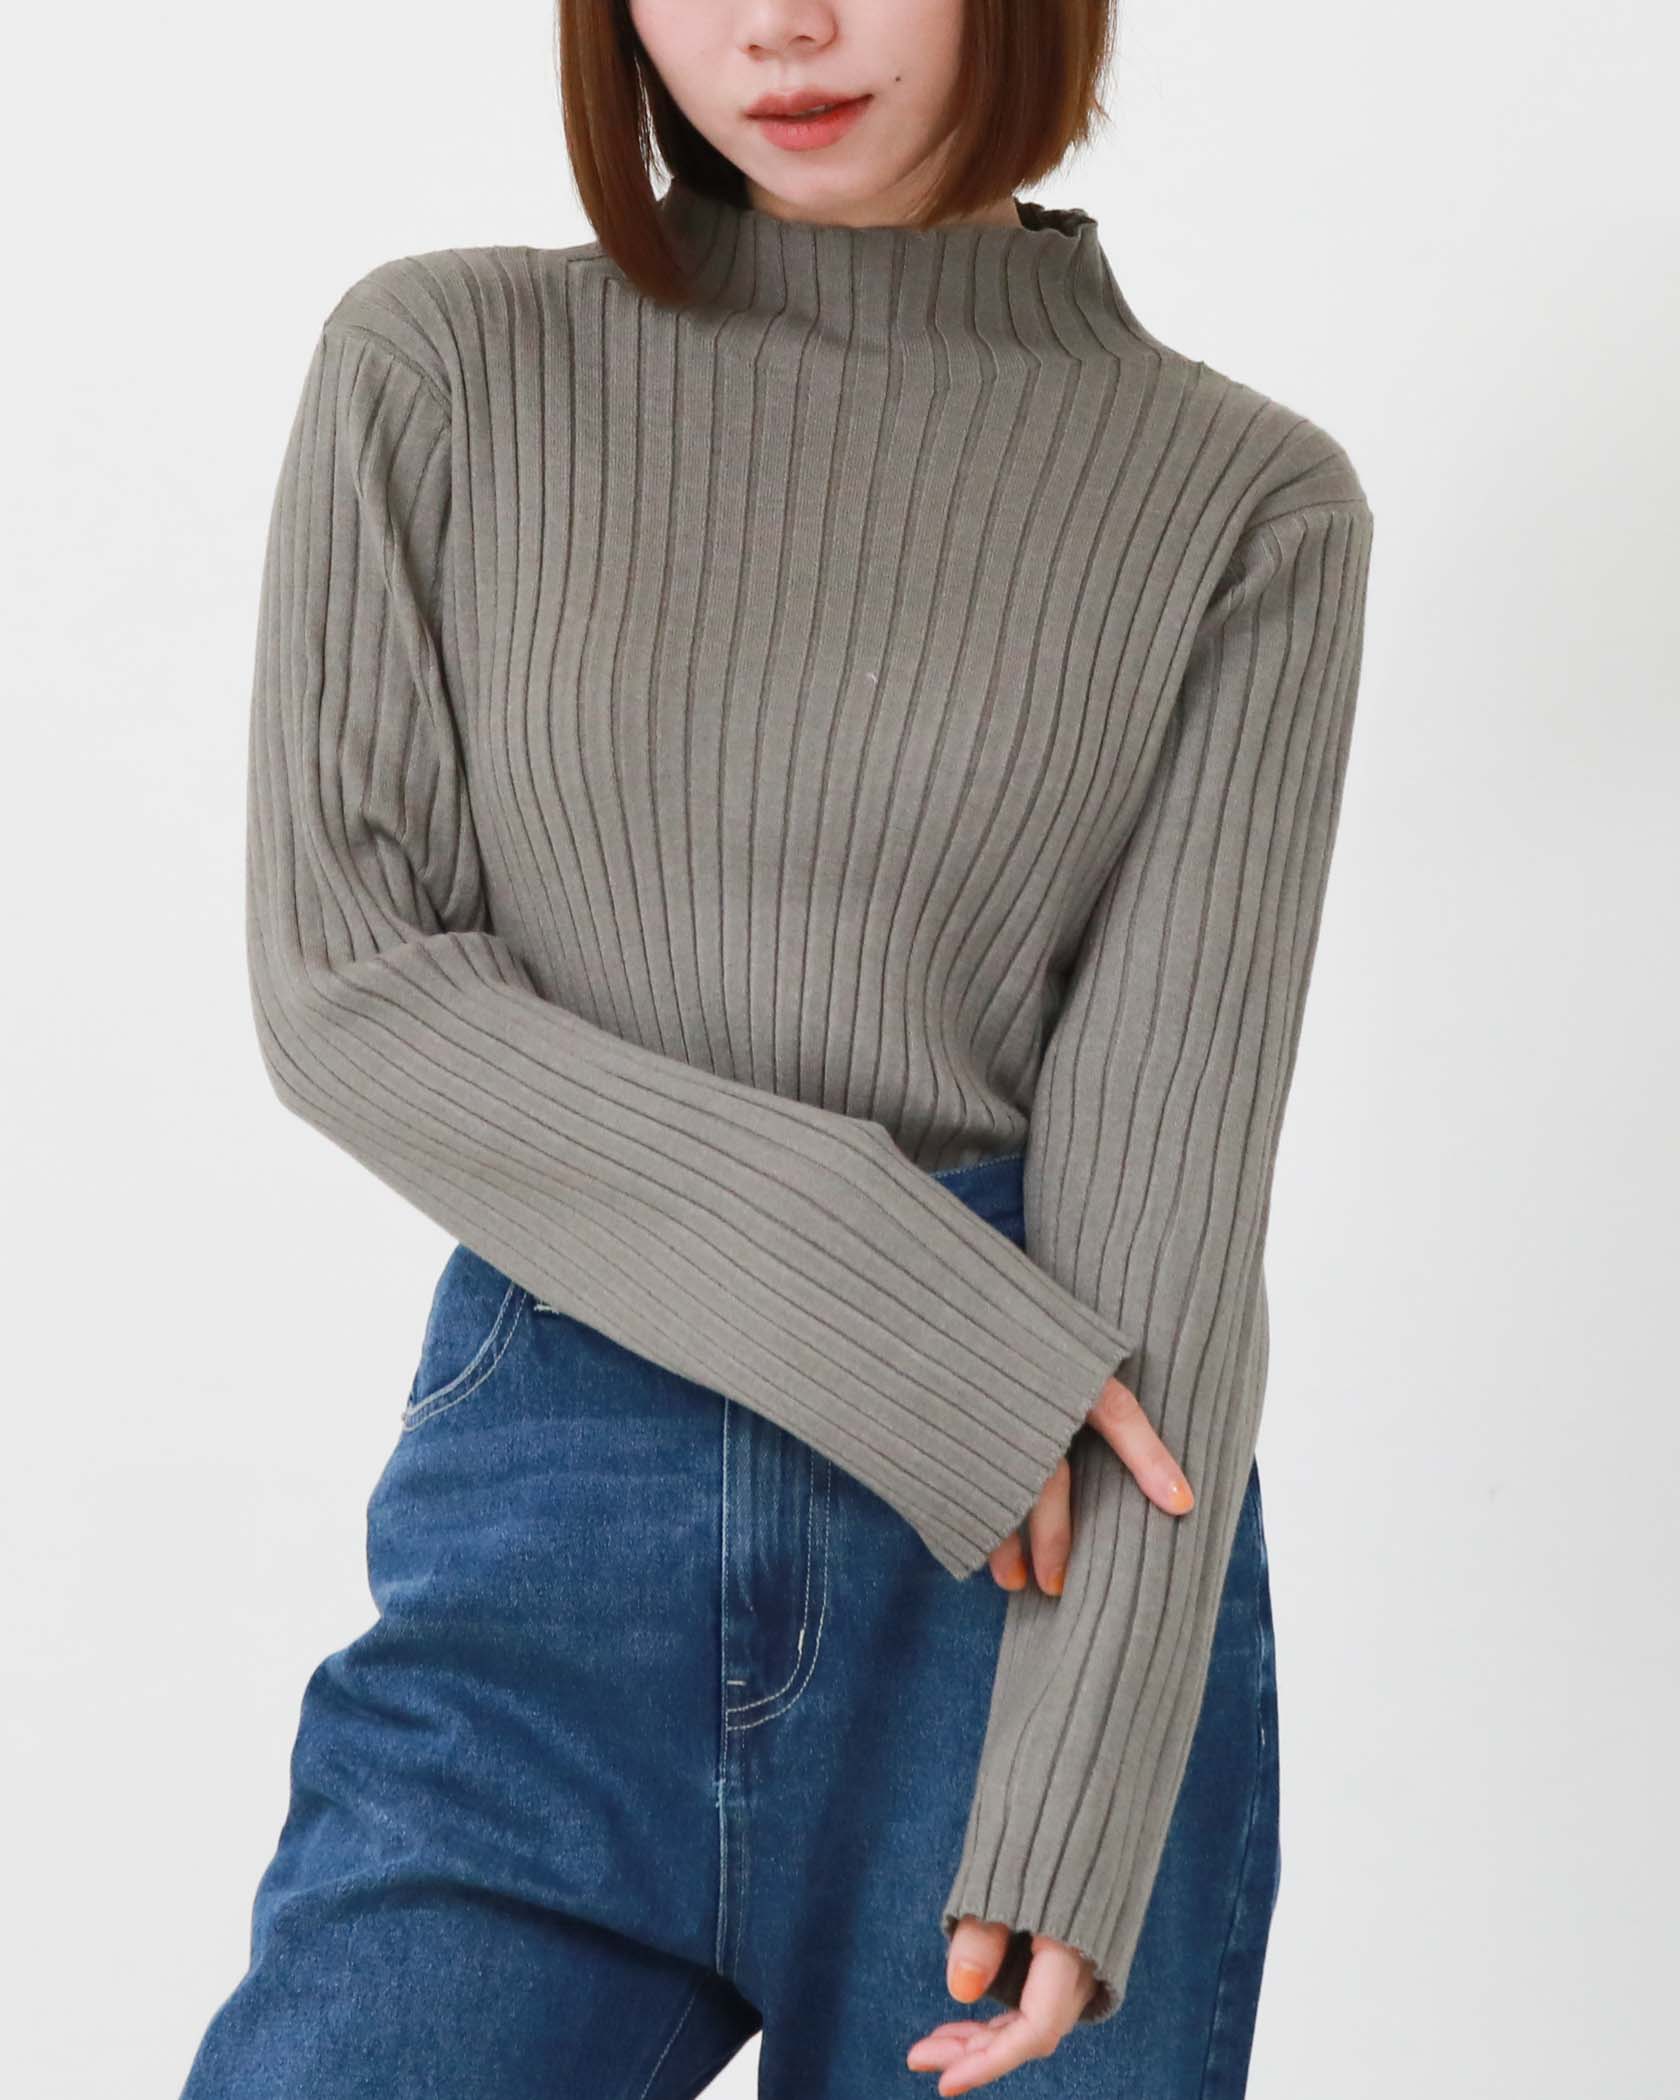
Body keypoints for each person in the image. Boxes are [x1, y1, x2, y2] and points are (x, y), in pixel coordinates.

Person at [180, 1, 1373, 2094]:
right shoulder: (446, 368)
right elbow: (348, 983)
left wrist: (1086, 1790)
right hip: (565, 1519)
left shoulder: (1243, 504)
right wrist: (903, 1311)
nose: (777, 25)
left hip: (1030, 1591)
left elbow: (1171, 1200)